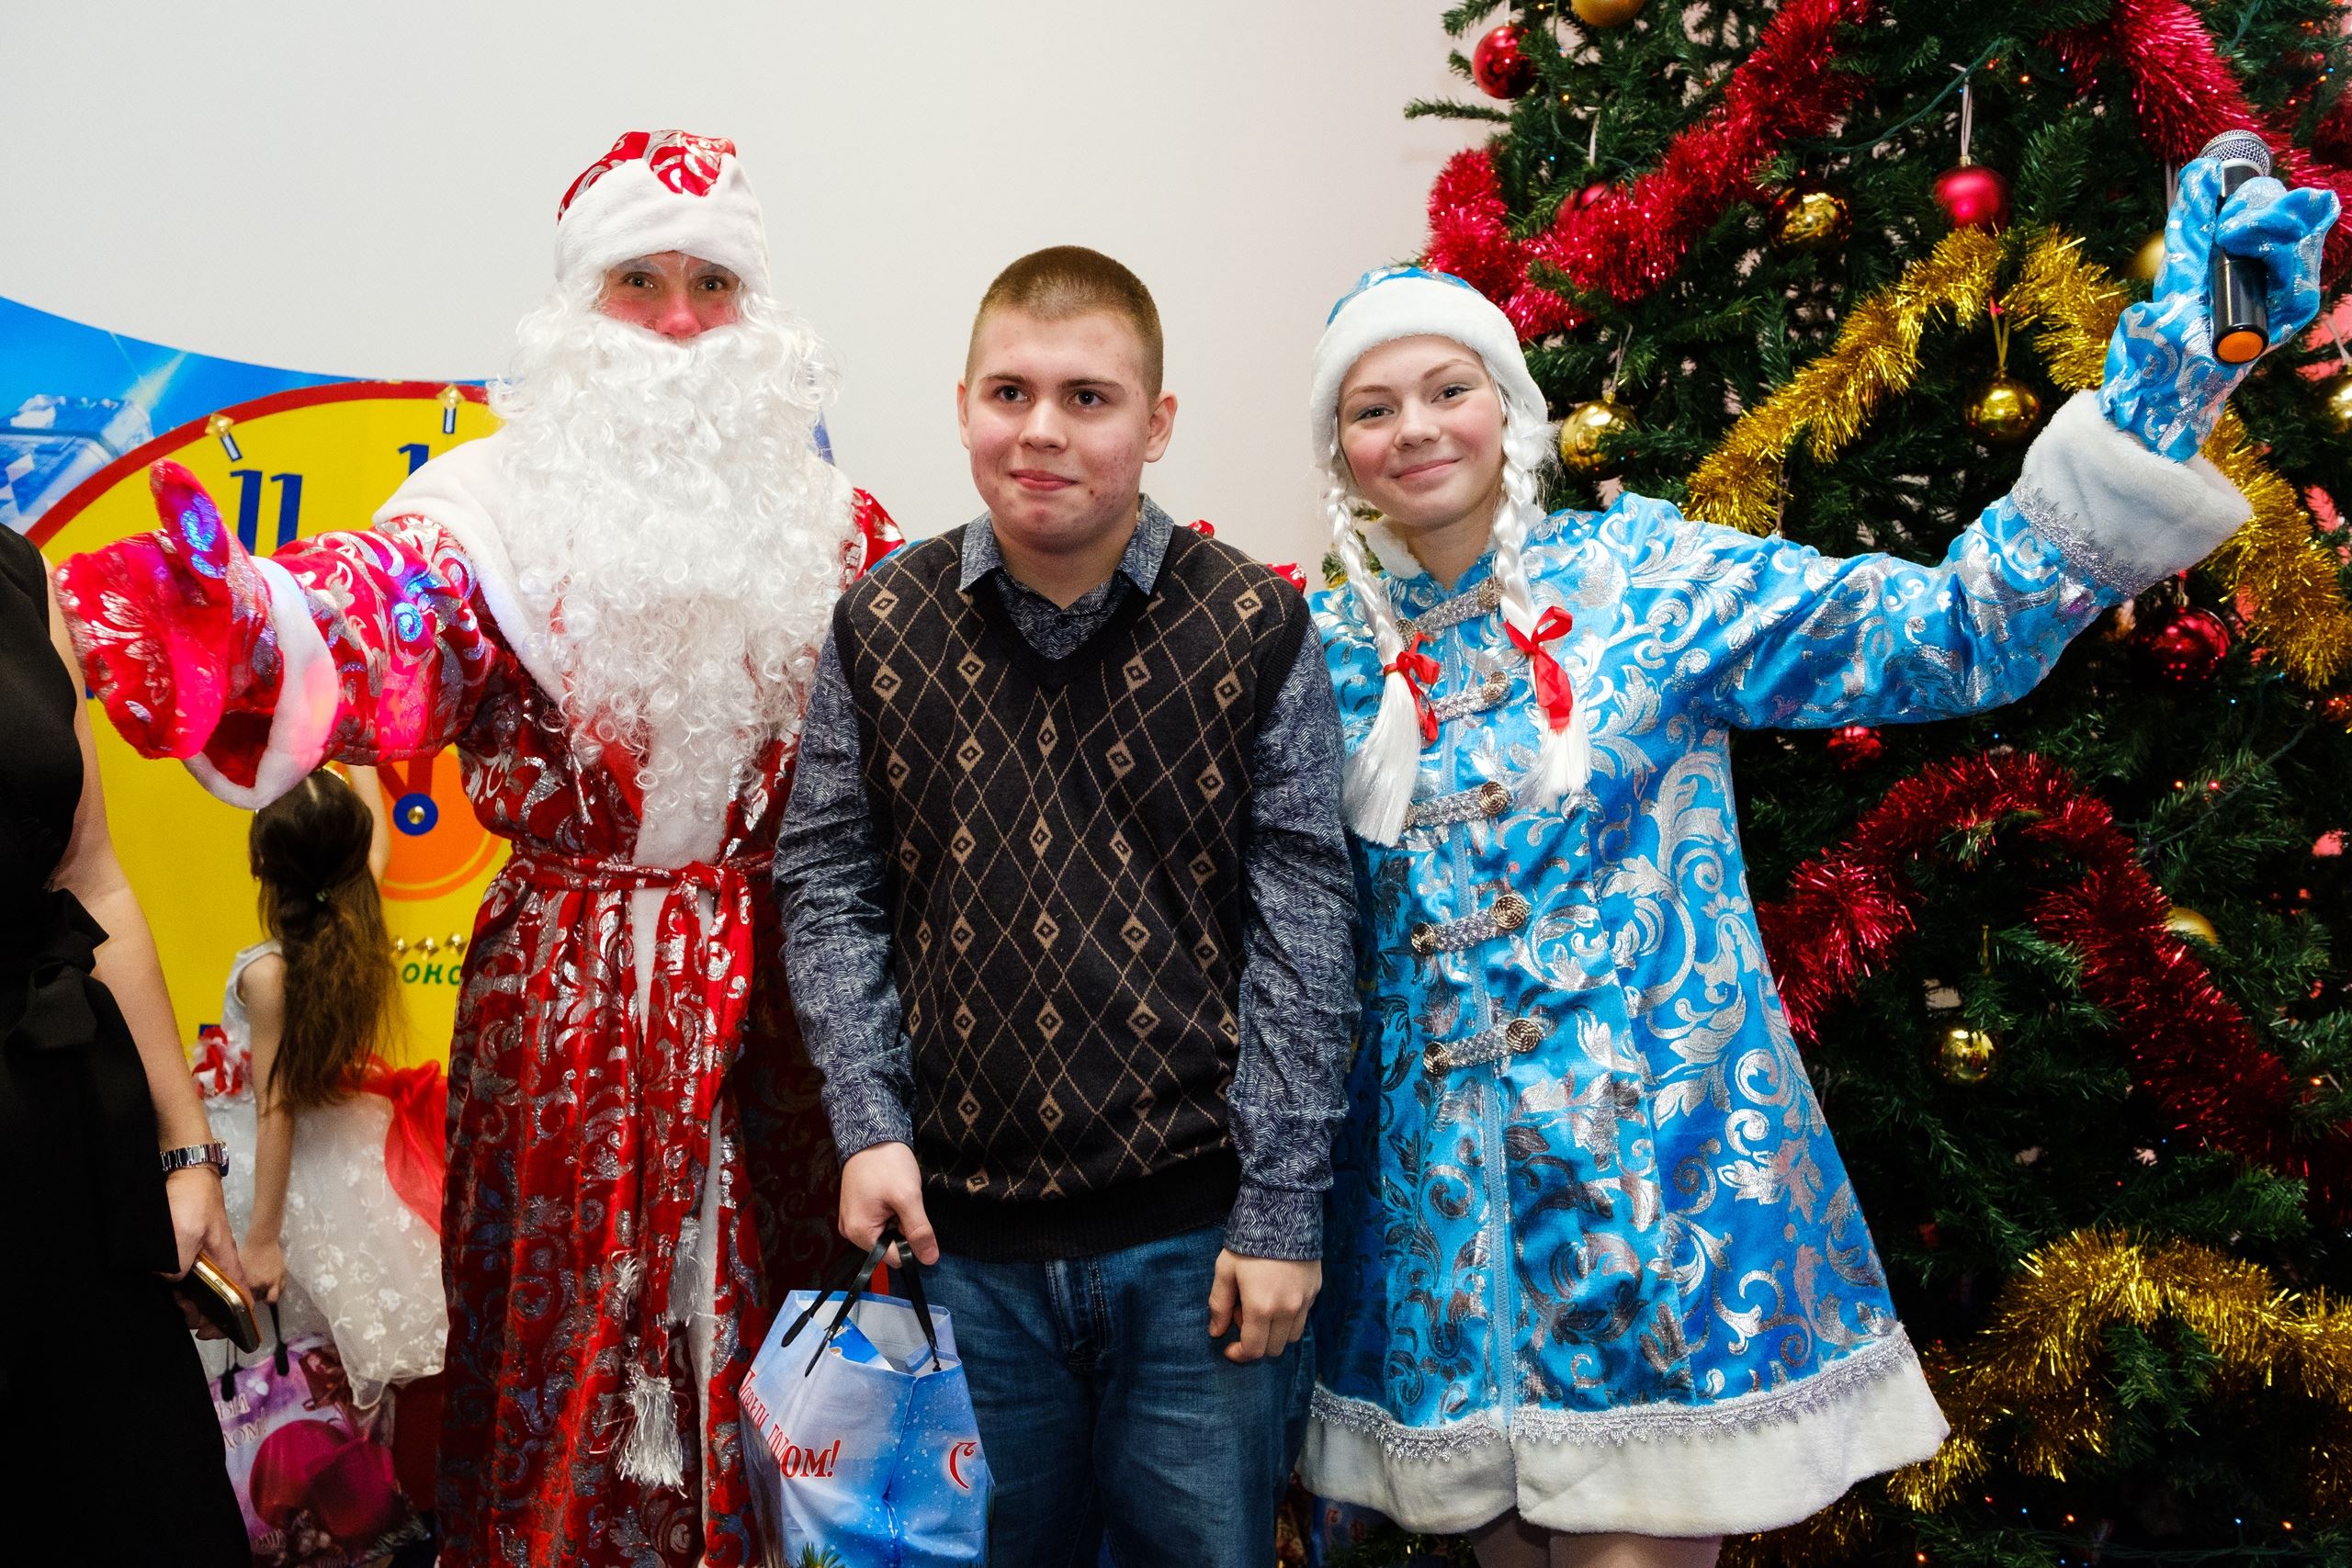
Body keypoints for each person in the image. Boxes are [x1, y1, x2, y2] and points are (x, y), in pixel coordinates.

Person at [1296, 160, 2337, 1567]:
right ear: (1338, 448)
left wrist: (2170, 378)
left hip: (1655, 1217)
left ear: (1509, 404)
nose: (1416, 426)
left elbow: (1951, 634)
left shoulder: (1650, 583)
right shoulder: (1324, 653)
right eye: (1372, 407)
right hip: (1445, 1258)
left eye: (1447, 387)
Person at [55, 130, 899, 1568]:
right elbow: (369, 611)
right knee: (573, 1355)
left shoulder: (837, 526)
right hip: (568, 1012)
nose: (680, 320)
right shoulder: (489, 510)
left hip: (774, 1017)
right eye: (640, 279)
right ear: (579, 306)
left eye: (712, 282)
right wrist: (231, 614)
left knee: (780, 1358)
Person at [775, 245, 1359, 1568]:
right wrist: (868, 1121)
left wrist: (1279, 1208)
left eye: (1087, 397)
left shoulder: (1254, 625)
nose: (1041, 429)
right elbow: (828, 884)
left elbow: (1306, 924)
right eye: (1011, 392)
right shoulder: (880, 622)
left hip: (1198, 1251)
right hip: (958, 1249)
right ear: (964, 405)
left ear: (1157, 423)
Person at [0, 522, 249, 1565]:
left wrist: (187, 1152)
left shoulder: (17, 571)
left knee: (143, 1503)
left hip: (59, 1127)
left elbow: (91, 872)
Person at [193, 764, 448, 1411]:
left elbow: (275, 1109)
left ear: (258, 861)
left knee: (265, 1352)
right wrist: (357, 761)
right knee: (322, 1341)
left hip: (268, 1170)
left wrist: (261, 1239)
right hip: (339, 1153)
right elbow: (379, 842)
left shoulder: (268, 974)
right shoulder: (357, 922)